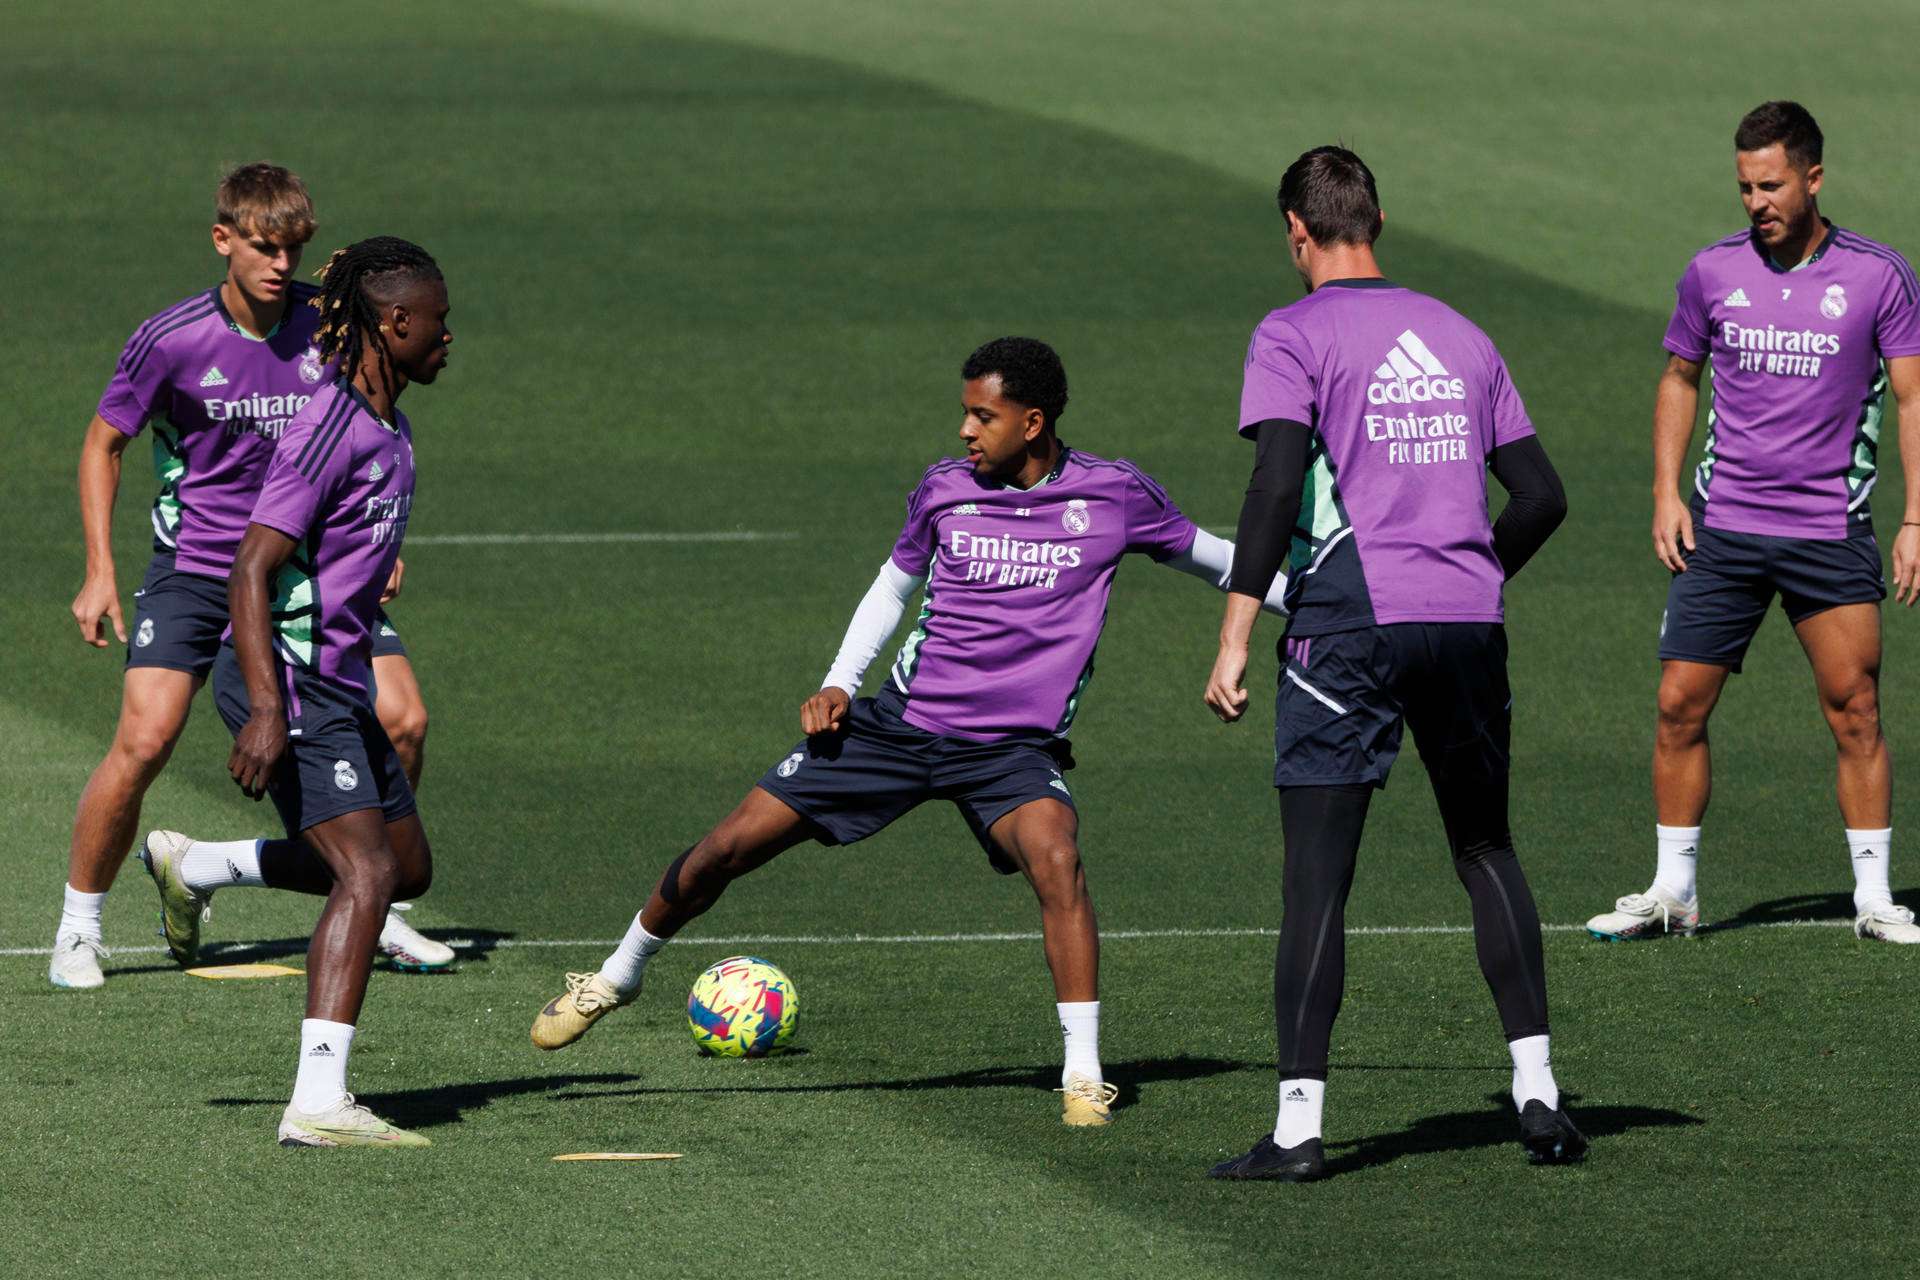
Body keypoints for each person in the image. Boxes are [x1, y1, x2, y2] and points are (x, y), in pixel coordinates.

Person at [530, 336, 1287, 1126]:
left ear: (1031, 422)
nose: (965, 430)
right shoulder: (945, 490)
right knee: (727, 846)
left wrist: (1326, 603)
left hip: (1011, 753)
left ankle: (1082, 1075)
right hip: (900, 725)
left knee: (1057, 859)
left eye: (981, 415)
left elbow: (1225, 561)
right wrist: (838, 683)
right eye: (965, 413)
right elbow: (890, 592)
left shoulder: (1114, 496)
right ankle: (618, 976)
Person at [1202, 147, 1577, 1181]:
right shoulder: (1460, 332)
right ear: (1378, 218)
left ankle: (1298, 1130)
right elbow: (1542, 494)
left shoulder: (1293, 332)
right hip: (1466, 618)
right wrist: (1470, 580)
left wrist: (1235, 633)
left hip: (1350, 622)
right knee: (1486, 847)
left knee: (1317, 880)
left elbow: (1277, 488)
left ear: (1296, 229)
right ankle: (1539, 1096)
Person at [48, 164, 448, 989]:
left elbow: (364, 421)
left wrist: (372, 537)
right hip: (201, 569)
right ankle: (80, 926)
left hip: (303, 569)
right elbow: (103, 444)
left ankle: (378, 904)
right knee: (147, 736)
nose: (280, 264)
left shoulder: (327, 325)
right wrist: (99, 571)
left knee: (404, 718)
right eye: (264, 247)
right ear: (222, 239)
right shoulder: (172, 339)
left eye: (295, 249)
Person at [1587, 101, 1920, 945]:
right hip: (1725, 531)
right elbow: (1678, 379)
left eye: (1770, 185)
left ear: (1814, 177)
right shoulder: (1711, 272)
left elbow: (1913, 396)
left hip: (1828, 531)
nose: (1755, 201)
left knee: (1855, 710)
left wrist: (1916, 516)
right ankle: (1675, 893)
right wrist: (1667, 493)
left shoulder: (1880, 276)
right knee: (1677, 705)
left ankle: (1874, 900)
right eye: (1743, 186)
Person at [143, 236, 451, 1146]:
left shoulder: (387, 422)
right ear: (394, 323)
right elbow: (251, 565)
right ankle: (317, 1103)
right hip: (292, 680)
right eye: (439, 323)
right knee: (366, 872)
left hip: (337, 680)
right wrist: (267, 708)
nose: (448, 339)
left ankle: (201, 865)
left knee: (405, 871)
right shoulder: (331, 426)